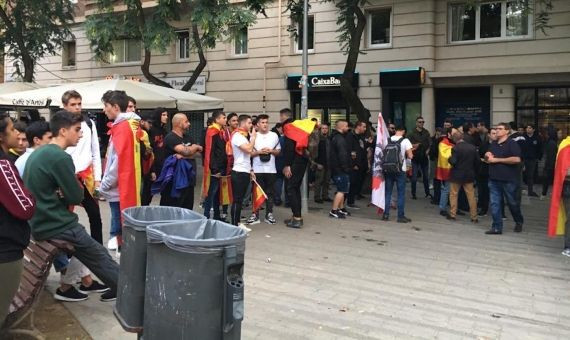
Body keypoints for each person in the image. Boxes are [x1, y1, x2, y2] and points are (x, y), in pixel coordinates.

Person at [24, 111, 118, 302]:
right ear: (63, 131)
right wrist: (65, 191)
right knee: (100, 256)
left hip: (42, 222)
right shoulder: (60, 157)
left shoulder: (39, 152)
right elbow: (76, 196)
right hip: (57, 225)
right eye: (77, 130)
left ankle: (74, 285)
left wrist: (61, 192)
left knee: (88, 250)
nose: (81, 134)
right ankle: (135, 293)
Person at [0, 112, 35, 326]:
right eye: (12, 129)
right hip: (5, 252)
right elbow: (26, 208)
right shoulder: (3, 166)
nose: (17, 132)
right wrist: (31, 195)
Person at [100, 91, 143, 254]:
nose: (104, 110)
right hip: (123, 184)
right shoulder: (128, 126)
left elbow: (116, 163)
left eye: (106, 106)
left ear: (116, 107)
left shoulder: (123, 127)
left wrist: (104, 185)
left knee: (119, 224)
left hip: (119, 186)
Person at [61, 90, 104, 245]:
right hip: (65, 176)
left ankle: (98, 249)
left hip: (86, 177)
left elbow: (95, 152)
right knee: (64, 216)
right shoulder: (58, 125)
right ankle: (64, 254)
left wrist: (98, 179)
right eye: (73, 104)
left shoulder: (88, 123)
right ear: (64, 106)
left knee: (95, 215)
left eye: (79, 104)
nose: (77, 107)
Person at [484, 122, 524, 235]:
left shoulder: (512, 144)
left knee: (512, 203)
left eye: (500, 129)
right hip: (494, 179)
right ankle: (497, 227)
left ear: (507, 131)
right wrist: (487, 156)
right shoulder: (493, 144)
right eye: (496, 128)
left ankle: (518, 221)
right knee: (495, 204)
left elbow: (517, 159)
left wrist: (497, 160)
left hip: (509, 179)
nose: (497, 130)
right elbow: (488, 159)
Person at [158, 113, 202, 209]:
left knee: (187, 210)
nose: (189, 123)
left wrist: (187, 153)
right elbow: (185, 151)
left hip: (189, 180)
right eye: (186, 121)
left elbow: (199, 152)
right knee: (173, 210)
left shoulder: (188, 137)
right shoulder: (171, 137)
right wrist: (192, 149)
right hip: (174, 182)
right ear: (178, 123)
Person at [246, 114, 280, 225]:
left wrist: (271, 150)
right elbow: (248, 153)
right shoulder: (253, 136)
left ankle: (269, 214)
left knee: (270, 193)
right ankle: (255, 214)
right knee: (255, 193)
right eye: (263, 122)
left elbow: (278, 151)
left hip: (271, 169)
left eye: (266, 122)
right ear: (258, 124)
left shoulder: (274, 135)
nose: (265, 124)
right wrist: (259, 152)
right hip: (257, 169)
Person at [281, 108, 312, 228]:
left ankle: (297, 218)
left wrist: (287, 165)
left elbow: (289, 148)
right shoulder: (297, 126)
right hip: (302, 159)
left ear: (283, 116)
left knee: (291, 188)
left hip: (295, 161)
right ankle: (296, 216)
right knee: (295, 188)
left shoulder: (288, 127)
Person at [381, 125, 413, 223]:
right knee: (401, 193)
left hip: (388, 169)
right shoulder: (405, 141)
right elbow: (410, 156)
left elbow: (383, 153)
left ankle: (386, 214)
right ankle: (400, 216)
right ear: (403, 131)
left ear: (396, 130)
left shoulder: (387, 140)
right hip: (400, 170)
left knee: (388, 192)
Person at [447, 130, 480, 222]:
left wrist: (449, 159)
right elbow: (477, 162)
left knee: (453, 195)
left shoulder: (455, 148)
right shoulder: (472, 147)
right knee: (471, 196)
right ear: (462, 138)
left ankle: (453, 214)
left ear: (454, 139)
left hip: (456, 175)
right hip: (469, 174)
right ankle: (474, 217)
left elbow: (453, 161)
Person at [230, 115, 256, 226]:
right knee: (237, 200)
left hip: (244, 171)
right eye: (249, 123)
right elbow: (249, 149)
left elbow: (247, 155)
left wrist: (250, 170)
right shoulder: (237, 136)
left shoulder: (243, 136)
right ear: (243, 123)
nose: (251, 125)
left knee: (239, 200)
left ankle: (237, 222)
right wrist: (253, 137)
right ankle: (235, 224)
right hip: (238, 172)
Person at [202, 111, 227, 221]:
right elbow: (210, 151)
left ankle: (217, 215)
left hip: (221, 167)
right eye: (224, 118)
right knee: (211, 193)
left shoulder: (221, 131)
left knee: (218, 194)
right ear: (217, 120)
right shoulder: (212, 131)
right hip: (215, 168)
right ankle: (206, 215)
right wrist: (214, 169)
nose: (225, 120)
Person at [328, 120, 351, 218]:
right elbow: (342, 155)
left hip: (335, 167)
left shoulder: (333, 137)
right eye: (346, 126)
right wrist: (345, 167)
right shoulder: (340, 139)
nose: (348, 128)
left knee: (342, 189)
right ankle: (334, 210)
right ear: (342, 127)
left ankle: (340, 208)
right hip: (340, 168)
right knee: (342, 190)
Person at [147, 108, 168, 204]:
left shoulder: (164, 131)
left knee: (165, 193)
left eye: (166, 115)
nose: (166, 117)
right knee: (147, 195)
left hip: (163, 166)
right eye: (163, 115)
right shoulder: (151, 131)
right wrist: (152, 170)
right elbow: (149, 151)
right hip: (153, 166)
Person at [346, 121, 368, 209]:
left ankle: (351, 200)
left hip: (361, 164)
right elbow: (350, 151)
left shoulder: (361, 137)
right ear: (358, 127)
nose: (365, 129)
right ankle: (349, 202)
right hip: (354, 165)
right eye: (364, 127)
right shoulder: (351, 136)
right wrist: (353, 163)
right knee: (352, 183)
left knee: (356, 183)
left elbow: (362, 149)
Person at [408, 116, 431, 200]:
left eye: (423, 122)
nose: (421, 123)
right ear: (416, 123)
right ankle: (413, 194)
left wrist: (428, 150)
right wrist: (414, 145)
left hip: (424, 157)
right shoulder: (412, 133)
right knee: (414, 177)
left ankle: (427, 193)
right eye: (420, 122)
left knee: (425, 177)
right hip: (415, 157)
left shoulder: (426, 132)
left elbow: (430, 143)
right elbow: (407, 144)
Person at [477, 128, 497, 216]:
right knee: (484, 191)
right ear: (488, 134)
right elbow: (478, 157)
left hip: (496, 171)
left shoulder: (499, 145)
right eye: (493, 133)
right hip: (485, 170)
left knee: (497, 191)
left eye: (496, 133)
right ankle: (483, 208)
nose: (495, 135)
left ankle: (501, 212)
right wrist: (483, 160)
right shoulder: (483, 145)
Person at [436, 128, 455, 216]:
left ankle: (453, 208)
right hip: (446, 170)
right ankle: (442, 208)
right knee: (446, 189)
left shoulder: (452, 143)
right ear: (449, 134)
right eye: (454, 133)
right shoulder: (443, 143)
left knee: (451, 190)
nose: (456, 135)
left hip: (453, 170)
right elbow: (445, 156)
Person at [522, 124, 542, 197]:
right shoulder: (523, 137)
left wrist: (538, 157)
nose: (528, 129)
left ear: (533, 129)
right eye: (527, 128)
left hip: (532, 159)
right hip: (523, 159)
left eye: (530, 128)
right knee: (522, 174)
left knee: (530, 175)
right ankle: (521, 189)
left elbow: (540, 148)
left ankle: (530, 191)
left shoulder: (537, 138)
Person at [313, 123, 330, 203]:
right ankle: (317, 197)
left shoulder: (329, 139)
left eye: (326, 128)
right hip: (320, 163)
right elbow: (313, 152)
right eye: (323, 128)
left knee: (327, 181)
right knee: (319, 181)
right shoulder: (317, 139)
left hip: (328, 163)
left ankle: (325, 196)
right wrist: (316, 163)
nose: (324, 129)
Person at [542, 128, 559, 198]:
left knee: (547, 180)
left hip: (549, 164)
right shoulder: (552, 143)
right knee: (548, 180)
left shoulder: (550, 142)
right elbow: (551, 156)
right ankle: (544, 193)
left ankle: (544, 193)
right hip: (550, 165)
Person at [429, 127, 443, 205]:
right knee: (436, 180)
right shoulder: (433, 139)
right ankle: (437, 197)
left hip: (439, 162)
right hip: (435, 161)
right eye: (437, 131)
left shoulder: (440, 140)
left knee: (438, 181)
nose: (438, 133)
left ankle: (437, 198)